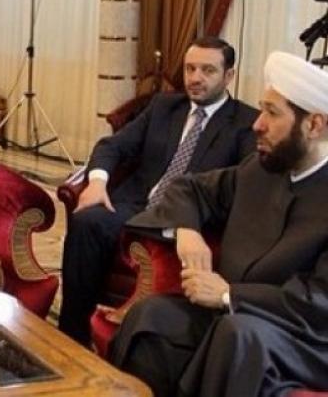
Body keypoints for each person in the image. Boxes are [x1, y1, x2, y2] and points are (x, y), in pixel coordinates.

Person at [110, 51, 328, 396]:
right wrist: (188, 231)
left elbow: (318, 301)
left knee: (237, 335)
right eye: (261, 110)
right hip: (233, 314)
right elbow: (188, 188)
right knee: (151, 317)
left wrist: (229, 294)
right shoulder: (259, 170)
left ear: (314, 125)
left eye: (272, 113)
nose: (257, 124)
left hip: (305, 336)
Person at [59, 36, 259, 345]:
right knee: (87, 221)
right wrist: (97, 182)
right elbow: (113, 146)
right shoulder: (164, 106)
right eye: (190, 69)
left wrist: (188, 222)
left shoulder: (246, 123)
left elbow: (243, 185)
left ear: (228, 75)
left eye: (207, 70)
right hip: (137, 206)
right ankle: (71, 337)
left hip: (187, 221)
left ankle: (133, 343)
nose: (195, 78)